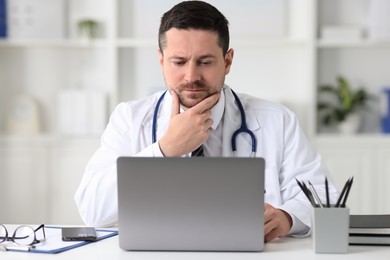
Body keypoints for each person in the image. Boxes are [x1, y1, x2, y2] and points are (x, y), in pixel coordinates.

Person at [75, 1, 338, 242]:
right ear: (161, 61)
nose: (191, 76)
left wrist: (287, 217)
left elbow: (325, 197)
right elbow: (92, 210)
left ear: (228, 60)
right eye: (179, 62)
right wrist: (164, 150)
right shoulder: (129, 119)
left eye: (205, 62)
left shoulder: (278, 120)